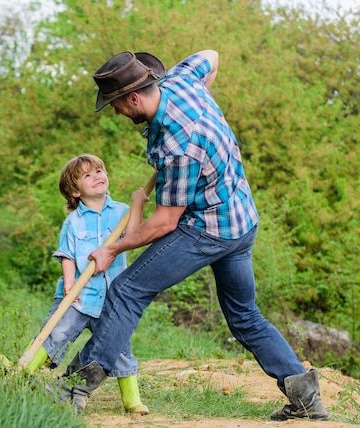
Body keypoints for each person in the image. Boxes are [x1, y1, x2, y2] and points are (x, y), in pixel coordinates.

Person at [54, 51, 329, 421]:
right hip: (242, 221)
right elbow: (213, 56)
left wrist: (112, 248)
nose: (117, 113)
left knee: (126, 290)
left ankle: (75, 387)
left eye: (116, 105)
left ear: (133, 98)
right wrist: (203, 107)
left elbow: (165, 222)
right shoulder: (182, 82)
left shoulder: (177, 146)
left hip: (207, 231)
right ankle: (307, 401)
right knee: (245, 316)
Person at [26, 154, 150, 414]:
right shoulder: (73, 222)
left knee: (120, 346)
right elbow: (67, 254)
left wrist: (137, 203)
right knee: (57, 333)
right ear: (75, 191)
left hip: (113, 298)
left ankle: (132, 400)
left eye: (99, 170)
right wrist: (70, 285)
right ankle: (25, 370)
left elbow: (136, 235)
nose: (97, 176)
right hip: (80, 296)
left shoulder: (121, 212)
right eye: (88, 175)